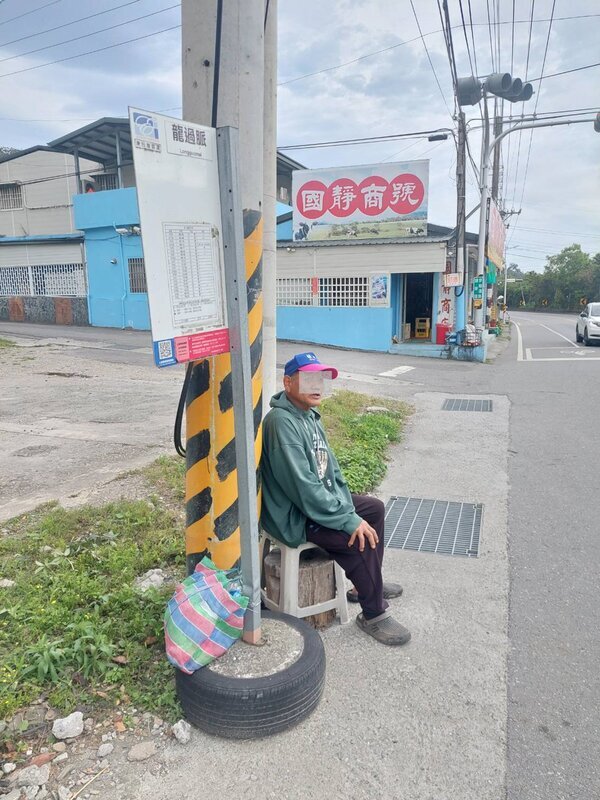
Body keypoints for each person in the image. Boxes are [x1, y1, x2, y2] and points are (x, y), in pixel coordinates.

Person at [260, 351, 411, 646]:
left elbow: (331, 469)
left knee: (373, 510)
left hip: (315, 505)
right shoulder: (281, 422)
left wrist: (347, 508)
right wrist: (347, 519)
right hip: (295, 514)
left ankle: (366, 585)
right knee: (357, 537)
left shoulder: (310, 416)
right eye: (309, 379)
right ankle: (373, 614)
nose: (318, 386)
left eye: (321, 380)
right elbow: (303, 489)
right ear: (288, 383)